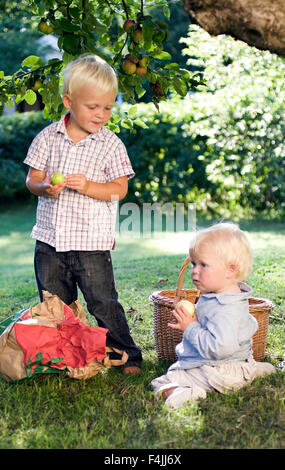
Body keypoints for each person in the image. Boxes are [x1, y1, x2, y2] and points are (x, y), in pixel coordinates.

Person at [24, 54, 142, 374]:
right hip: (50, 241)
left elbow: (120, 189)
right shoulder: (48, 138)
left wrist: (89, 185)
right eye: (93, 107)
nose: (101, 114)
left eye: (107, 107)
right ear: (69, 101)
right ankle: (66, 357)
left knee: (103, 302)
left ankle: (126, 354)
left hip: (91, 242)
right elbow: (32, 179)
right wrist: (44, 186)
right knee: (56, 305)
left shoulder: (110, 145)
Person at [151, 222, 275, 408]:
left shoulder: (225, 307)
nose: (194, 271)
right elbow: (249, 325)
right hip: (233, 366)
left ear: (230, 269)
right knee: (240, 369)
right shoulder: (226, 297)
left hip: (217, 372)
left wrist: (191, 327)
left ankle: (188, 393)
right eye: (194, 264)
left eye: (203, 265)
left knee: (162, 382)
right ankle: (251, 371)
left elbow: (220, 348)